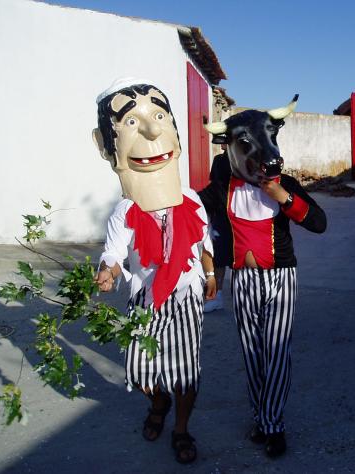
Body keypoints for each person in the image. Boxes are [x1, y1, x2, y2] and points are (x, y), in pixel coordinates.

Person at [92, 78, 216, 463]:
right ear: (106, 146)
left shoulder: (191, 198)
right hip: (145, 299)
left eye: (159, 116)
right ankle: (158, 402)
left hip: (186, 296)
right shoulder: (125, 210)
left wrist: (211, 275)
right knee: (140, 369)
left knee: (185, 370)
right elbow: (114, 252)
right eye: (130, 122)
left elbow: (204, 243)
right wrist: (108, 271)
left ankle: (181, 428)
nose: (150, 131)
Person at [199, 99, 327, 458]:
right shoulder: (221, 189)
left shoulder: (286, 184)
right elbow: (189, 214)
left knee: (277, 352)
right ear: (229, 148)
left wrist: (282, 196)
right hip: (243, 280)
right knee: (253, 354)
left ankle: (273, 425)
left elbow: (319, 223)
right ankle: (263, 418)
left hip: (281, 277)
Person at [204, 145, 232, 313]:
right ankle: (217, 298)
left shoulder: (243, 159)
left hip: (239, 216)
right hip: (220, 215)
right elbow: (214, 185)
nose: (221, 143)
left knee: (240, 260)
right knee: (218, 258)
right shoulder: (218, 160)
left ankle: (244, 296)